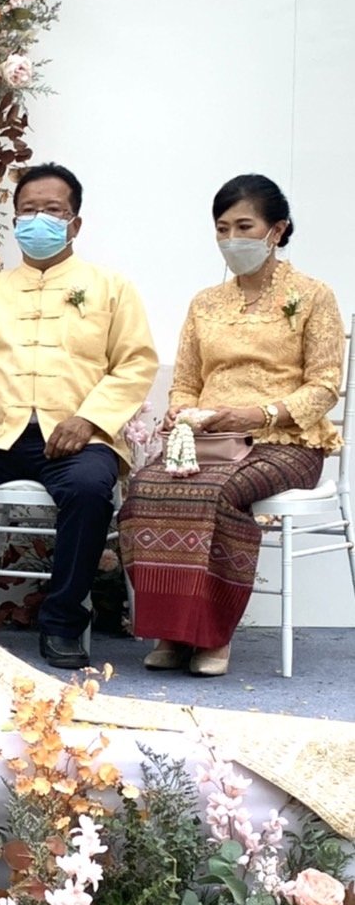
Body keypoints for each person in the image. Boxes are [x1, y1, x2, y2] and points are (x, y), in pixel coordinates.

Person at [0, 163, 157, 670]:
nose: (39, 219)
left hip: (76, 438)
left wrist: (89, 420)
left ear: (75, 223)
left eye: (53, 210)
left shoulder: (111, 287)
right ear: (15, 220)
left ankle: (62, 621)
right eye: (28, 211)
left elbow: (135, 364)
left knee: (88, 490)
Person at [121, 175, 345, 677]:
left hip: (286, 442)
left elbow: (325, 387)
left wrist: (259, 414)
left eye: (245, 227)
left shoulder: (314, 296)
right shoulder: (205, 303)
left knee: (219, 492)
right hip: (212, 439)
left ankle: (211, 634)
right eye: (222, 229)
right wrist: (181, 412)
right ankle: (173, 629)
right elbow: (186, 381)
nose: (231, 239)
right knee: (146, 486)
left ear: (277, 230)